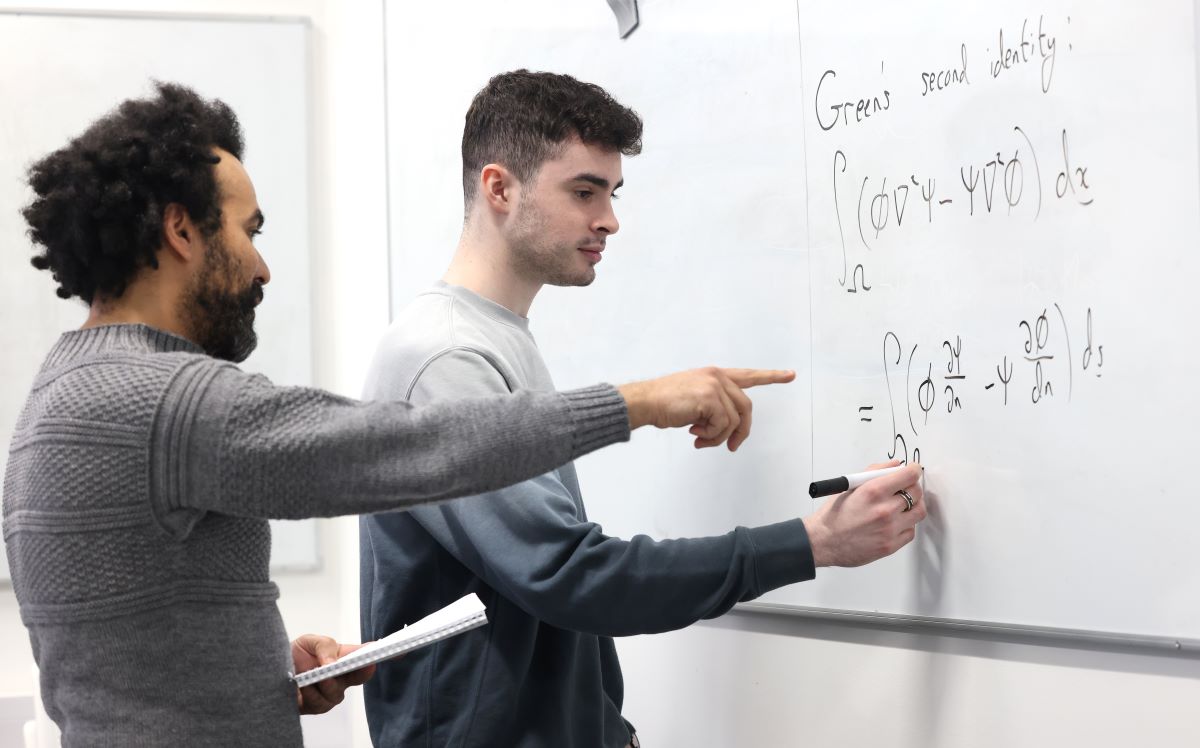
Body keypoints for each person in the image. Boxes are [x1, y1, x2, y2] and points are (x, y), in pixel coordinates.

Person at [1, 82, 793, 747]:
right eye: (250, 231)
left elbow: (114, 654)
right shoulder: (167, 399)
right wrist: (641, 402)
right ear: (181, 231)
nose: (263, 264)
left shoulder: (62, 392)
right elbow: (416, 448)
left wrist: (271, 673)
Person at [359, 70, 928, 748]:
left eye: (611, 192)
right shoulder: (445, 361)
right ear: (499, 188)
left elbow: (543, 600)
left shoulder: (494, 340)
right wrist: (812, 543)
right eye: (584, 191)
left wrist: (605, 726)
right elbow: (569, 574)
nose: (609, 219)